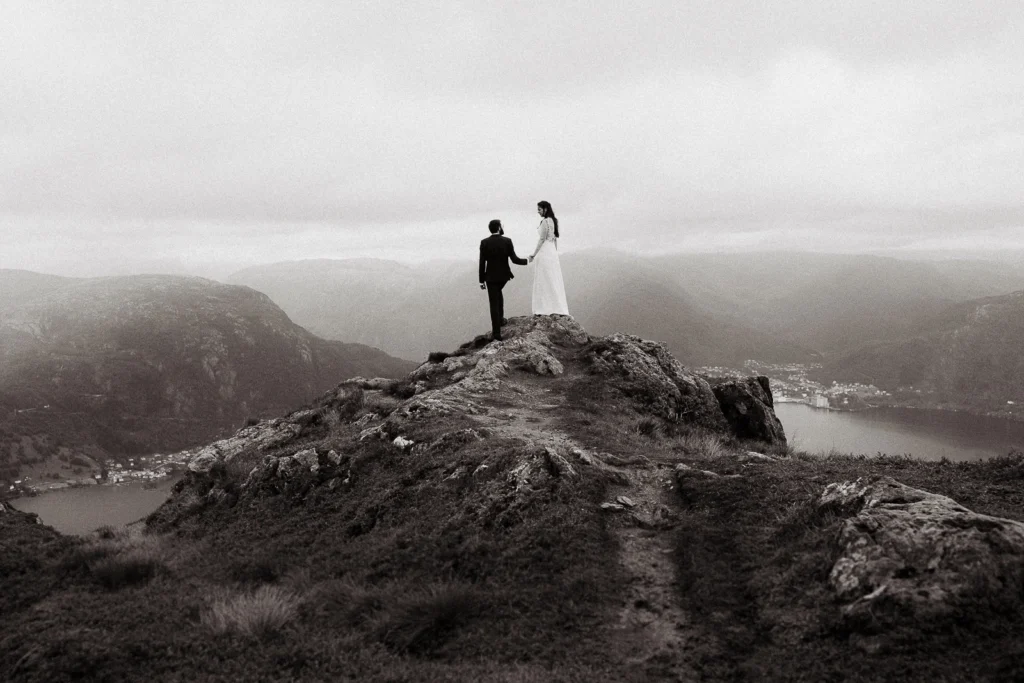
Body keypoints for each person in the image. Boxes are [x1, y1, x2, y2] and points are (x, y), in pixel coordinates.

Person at [479, 219, 528, 341]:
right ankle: (500, 320)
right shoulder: (507, 241)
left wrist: (481, 280)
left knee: (493, 303)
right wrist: (527, 260)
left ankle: (496, 334)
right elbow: (515, 259)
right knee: (498, 294)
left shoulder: (484, 242)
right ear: (499, 228)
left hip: (490, 277)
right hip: (503, 277)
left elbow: (482, 263)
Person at [528, 200, 569, 315]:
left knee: (544, 279)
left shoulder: (545, 221)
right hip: (551, 252)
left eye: (539, 209)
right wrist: (555, 253)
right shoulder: (554, 221)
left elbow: (542, 239)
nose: (538, 212)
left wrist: (533, 254)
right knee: (553, 278)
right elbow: (555, 239)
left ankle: (544, 308)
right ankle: (556, 306)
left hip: (545, 251)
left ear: (545, 209)